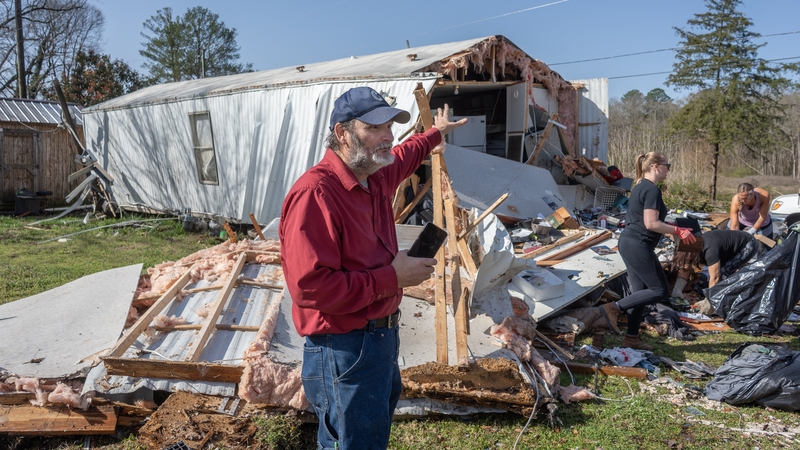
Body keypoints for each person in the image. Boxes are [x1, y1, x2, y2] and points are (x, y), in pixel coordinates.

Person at [279, 86, 466, 450]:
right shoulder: (316, 194)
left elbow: (407, 153)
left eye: (390, 127)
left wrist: (436, 133)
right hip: (342, 347)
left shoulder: (375, 175)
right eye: (375, 128)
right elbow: (310, 288)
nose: (387, 137)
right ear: (342, 133)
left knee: (365, 438)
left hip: (378, 339)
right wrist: (393, 277)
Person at [594, 152, 696, 350]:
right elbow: (651, 223)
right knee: (659, 290)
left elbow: (648, 221)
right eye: (668, 165)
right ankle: (612, 309)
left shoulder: (640, 187)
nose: (669, 169)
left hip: (631, 243)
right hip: (638, 244)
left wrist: (670, 227)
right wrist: (677, 230)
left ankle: (631, 338)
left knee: (641, 292)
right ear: (656, 166)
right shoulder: (651, 190)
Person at [699, 229, 763, 288]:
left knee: (723, 272)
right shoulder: (699, 246)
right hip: (732, 246)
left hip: (748, 243)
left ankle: (726, 295)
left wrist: (710, 297)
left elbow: (715, 277)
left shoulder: (710, 252)